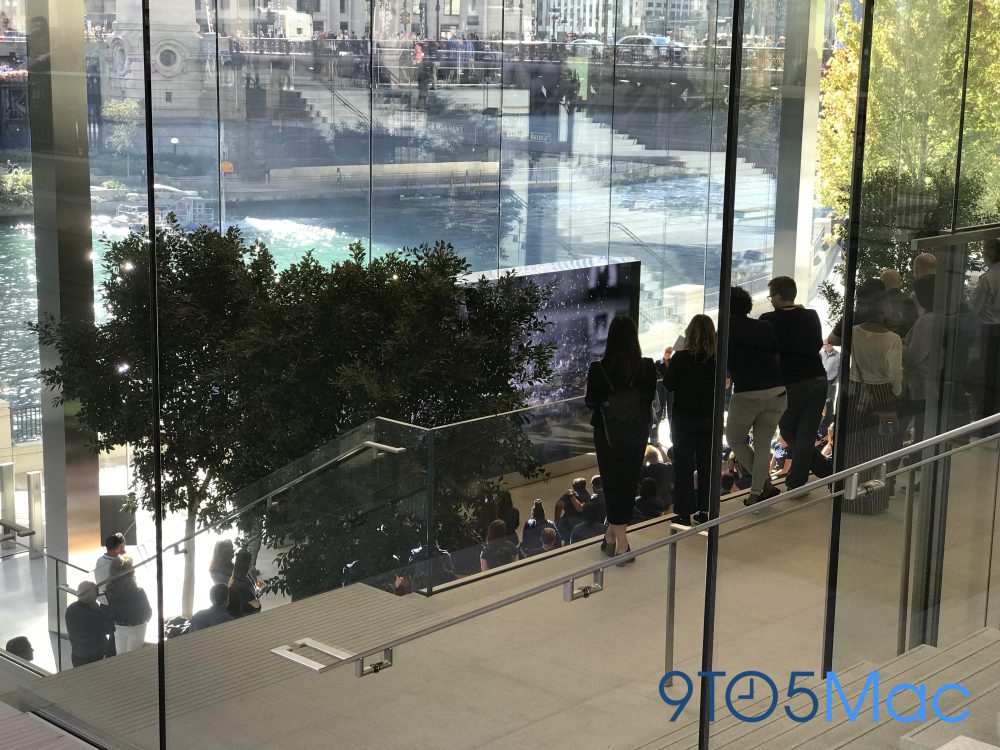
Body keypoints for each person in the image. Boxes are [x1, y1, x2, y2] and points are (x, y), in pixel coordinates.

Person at [584, 315, 656, 561]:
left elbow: (590, 402)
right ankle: (612, 538)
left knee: (612, 482)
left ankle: (620, 542)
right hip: (636, 430)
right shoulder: (646, 366)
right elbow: (649, 397)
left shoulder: (598, 369)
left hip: (607, 433)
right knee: (628, 483)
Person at [761, 276, 828, 491]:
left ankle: (804, 480)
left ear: (779, 296)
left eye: (771, 296)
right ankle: (820, 473)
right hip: (817, 378)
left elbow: (767, 352)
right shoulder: (811, 315)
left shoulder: (768, 320)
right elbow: (817, 344)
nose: (771, 300)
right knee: (806, 432)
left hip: (789, 382)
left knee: (789, 431)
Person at [725, 286, 786, 507]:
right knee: (763, 444)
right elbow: (777, 357)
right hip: (777, 391)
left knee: (735, 439)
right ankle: (759, 490)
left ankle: (762, 488)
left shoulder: (726, 330)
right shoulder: (765, 326)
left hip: (747, 394)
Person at [843, 291, 903, 514]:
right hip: (882, 395)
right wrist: (896, 391)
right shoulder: (893, 339)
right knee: (878, 449)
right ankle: (872, 503)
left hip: (854, 391)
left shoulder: (853, 332)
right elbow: (895, 372)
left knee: (851, 446)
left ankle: (848, 500)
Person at [663, 315, 717, 525]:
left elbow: (669, 385)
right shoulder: (715, 358)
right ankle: (706, 510)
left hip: (684, 419)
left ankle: (684, 513)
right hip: (709, 417)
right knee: (707, 464)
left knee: (684, 466)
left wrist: (668, 365)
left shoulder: (681, 357)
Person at [972, 238, 1000, 417]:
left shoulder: (987, 278)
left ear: (989, 254)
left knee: (987, 375)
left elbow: (975, 308)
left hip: (990, 330)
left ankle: (986, 417)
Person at [106, 555, 152, 654]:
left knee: (121, 655)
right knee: (133, 656)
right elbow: (147, 612)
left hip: (119, 626)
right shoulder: (138, 592)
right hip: (137, 627)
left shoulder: (109, 591)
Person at [65, 581, 116, 667]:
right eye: (96, 593)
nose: (97, 596)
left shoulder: (71, 609)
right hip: (95, 657)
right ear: (90, 596)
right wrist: (100, 608)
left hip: (78, 655)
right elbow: (110, 627)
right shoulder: (92, 614)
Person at [227, 550, 262, 617]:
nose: (252, 563)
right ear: (248, 564)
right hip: (248, 614)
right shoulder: (244, 585)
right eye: (251, 561)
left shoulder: (235, 577)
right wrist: (258, 597)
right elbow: (256, 606)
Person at [639, 445, 673, 511]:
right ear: (657, 456)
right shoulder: (667, 467)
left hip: (653, 504)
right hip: (666, 501)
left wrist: (645, 460)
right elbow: (668, 462)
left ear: (647, 459)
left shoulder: (645, 471)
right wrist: (661, 450)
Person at [95, 532, 126, 604]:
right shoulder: (118, 564)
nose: (124, 547)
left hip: (102, 600)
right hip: (115, 602)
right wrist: (125, 555)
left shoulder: (99, 560)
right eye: (124, 545)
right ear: (119, 547)